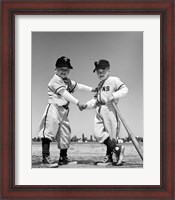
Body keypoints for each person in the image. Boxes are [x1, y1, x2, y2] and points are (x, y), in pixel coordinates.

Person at [38, 56, 94, 168]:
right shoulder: (55, 80)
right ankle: (45, 157)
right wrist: (78, 103)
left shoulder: (67, 81)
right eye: (61, 69)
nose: (64, 71)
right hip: (54, 107)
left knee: (65, 133)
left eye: (67, 69)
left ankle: (63, 158)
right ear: (56, 70)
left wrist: (93, 89)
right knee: (49, 131)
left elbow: (79, 86)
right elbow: (64, 93)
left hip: (64, 110)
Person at [83, 59, 128, 166]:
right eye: (98, 71)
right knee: (97, 133)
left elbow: (125, 89)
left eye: (103, 69)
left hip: (110, 108)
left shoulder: (113, 80)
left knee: (112, 135)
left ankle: (109, 157)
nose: (100, 72)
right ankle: (117, 149)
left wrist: (114, 95)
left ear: (109, 70)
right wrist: (86, 105)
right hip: (99, 109)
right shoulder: (100, 84)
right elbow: (95, 100)